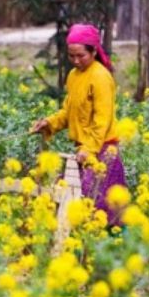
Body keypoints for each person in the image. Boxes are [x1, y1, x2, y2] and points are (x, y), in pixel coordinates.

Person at [30, 23, 127, 228]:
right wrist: (48, 123)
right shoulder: (73, 76)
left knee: (99, 211)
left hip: (103, 151)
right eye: (71, 56)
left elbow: (102, 120)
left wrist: (89, 149)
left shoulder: (101, 77)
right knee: (83, 207)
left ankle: (116, 245)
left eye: (81, 55)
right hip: (84, 151)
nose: (75, 61)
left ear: (94, 51)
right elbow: (69, 112)